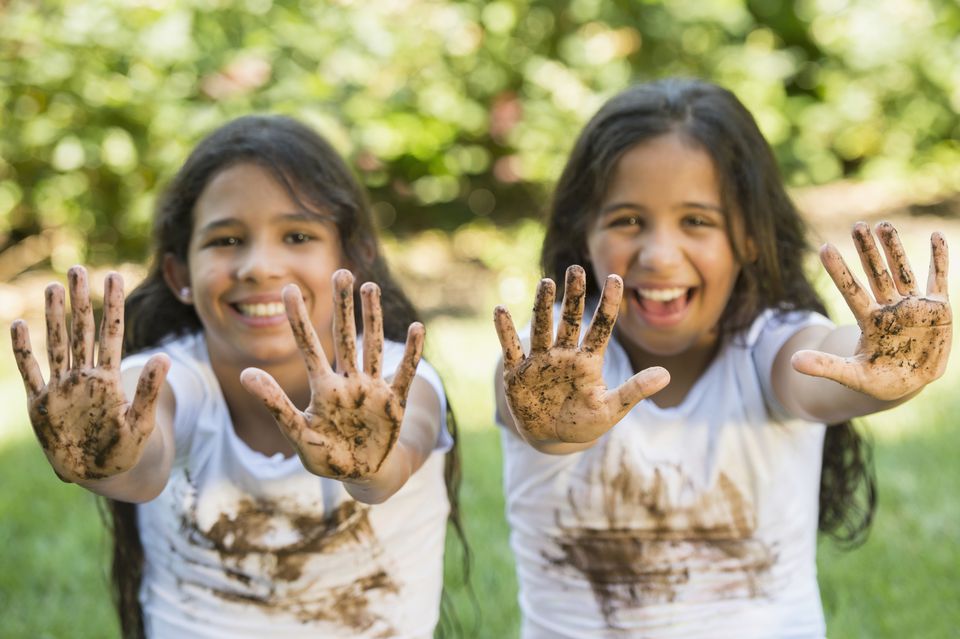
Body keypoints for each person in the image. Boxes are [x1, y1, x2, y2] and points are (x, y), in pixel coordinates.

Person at [492, 78, 952, 638]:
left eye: (697, 221)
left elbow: (821, 369)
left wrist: (887, 369)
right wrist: (551, 428)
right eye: (627, 220)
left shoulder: (768, 343)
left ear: (750, 238)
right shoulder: (546, 370)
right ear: (582, 233)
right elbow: (532, 415)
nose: (659, 255)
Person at [10, 115, 463, 639]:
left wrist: (369, 464)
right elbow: (141, 465)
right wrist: (104, 457)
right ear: (180, 276)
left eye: (297, 235)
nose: (259, 266)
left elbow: (395, 461)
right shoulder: (169, 378)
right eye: (226, 240)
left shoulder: (396, 379)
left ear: (353, 258)